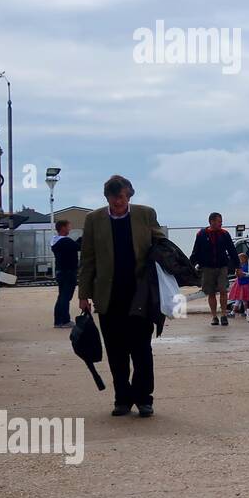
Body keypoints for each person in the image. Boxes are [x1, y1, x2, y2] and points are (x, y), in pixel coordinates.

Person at [77, 175, 167, 416]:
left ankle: (144, 398)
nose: (118, 201)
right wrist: (83, 294)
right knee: (116, 350)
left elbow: (161, 243)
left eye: (123, 196)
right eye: (114, 197)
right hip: (109, 295)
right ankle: (122, 399)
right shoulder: (94, 219)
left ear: (129, 195)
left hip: (140, 294)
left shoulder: (145, 214)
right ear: (106, 197)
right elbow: (87, 260)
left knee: (141, 349)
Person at [190, 212, 239, 326]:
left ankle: (223, 315)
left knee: (223, 290)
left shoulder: (224, 234)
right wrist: (190, 266)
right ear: (211, 221)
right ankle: (214, 316)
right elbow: (196, 251)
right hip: (207, 268)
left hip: (222, 266)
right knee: (211, 292)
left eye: (221, 221)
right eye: (219, 221)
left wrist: (238, 267)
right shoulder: (201, 234)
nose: (221, 223)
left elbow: (232, 251)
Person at [51, 219, 79, 328]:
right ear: (63, 228)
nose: (70, 229)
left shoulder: (55, 241)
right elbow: (78, 246)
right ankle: (65, 320)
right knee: (66, 297)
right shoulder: (65, 241)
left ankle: (58, 321)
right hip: (68, 272)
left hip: (60, 271)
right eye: (68, 226)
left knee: (61, 296)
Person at [228, 252, 249, 316]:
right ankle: (246, 311)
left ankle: (233, 312)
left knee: (239, 299)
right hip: (242, 285)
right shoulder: (243, 267)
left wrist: (239, 273)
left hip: (242, 285)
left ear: (244, 259)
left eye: (239, 259)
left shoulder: (244, 267)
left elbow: (241, 275)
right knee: (243, 299)